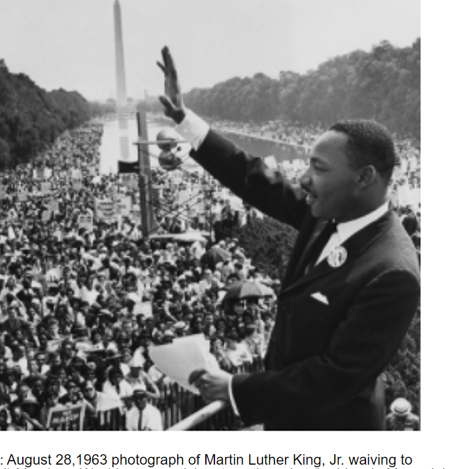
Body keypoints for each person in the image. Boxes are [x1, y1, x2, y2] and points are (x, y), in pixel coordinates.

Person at [157, 46, 420, 430]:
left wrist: (235, 389)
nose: (303, 178)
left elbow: (335, 376)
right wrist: (184, 119)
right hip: (290, 418)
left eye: (319, 168)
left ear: (364, 178)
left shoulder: (393, 272)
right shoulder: (330, 211)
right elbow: (256, 179)